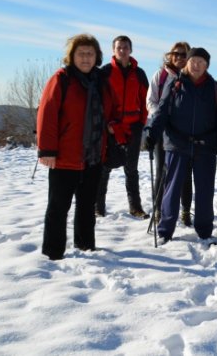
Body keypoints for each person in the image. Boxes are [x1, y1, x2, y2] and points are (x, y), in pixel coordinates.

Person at [38, 34, 111, 260]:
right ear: (72, 56)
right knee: (59, 207)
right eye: (81, 54)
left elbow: (110, 112)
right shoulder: (62, 79)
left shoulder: (100, 81)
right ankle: (53, 251)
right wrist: (47, 150)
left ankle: (86, 245)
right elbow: (46, 115)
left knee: (87, 205)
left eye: (90, 54)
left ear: (97, 56)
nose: (86, 58)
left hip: (93, 155)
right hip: (65, 156)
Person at [145, 48, 217, 244]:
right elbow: (162, 111)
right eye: (193, 61)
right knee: (172, 189)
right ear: (187, 63)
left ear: (207, 65)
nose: (196, 65)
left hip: (205, 146)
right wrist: (152, 133)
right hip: (176, 144)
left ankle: (204, 230)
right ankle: (166, 229)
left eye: (201, 62)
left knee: (205, 190)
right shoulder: (175, 85)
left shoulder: (215, 88)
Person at [96, 35, 150, 219]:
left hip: (133, 127)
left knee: (131, 169)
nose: (122, 50)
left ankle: (135, 207)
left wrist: (142, 123)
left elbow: (145, 101)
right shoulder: (105, 72)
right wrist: (106, 125)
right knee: (104, 168)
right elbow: (99, 102)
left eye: (125, 47)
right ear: (113, 50)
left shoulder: (139, 73)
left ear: (131, 50)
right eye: (119, 47)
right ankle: (98, 207)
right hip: (111, 128)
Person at [146, 42, 193, 226]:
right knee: (162, 171)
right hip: (163, 130)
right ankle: (158, 209)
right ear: (170, 55)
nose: (180, 57)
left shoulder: (192, 76)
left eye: (184, 54)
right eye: (177, 54)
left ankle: (186, 210)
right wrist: (162, 118)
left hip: (185, 133)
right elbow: (151, 101)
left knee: (185, 173)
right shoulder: (161, 75)